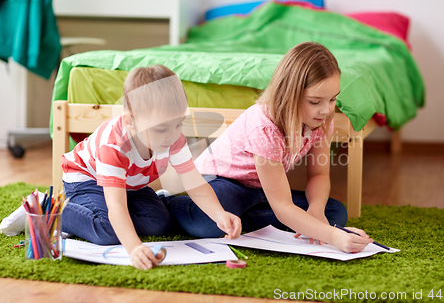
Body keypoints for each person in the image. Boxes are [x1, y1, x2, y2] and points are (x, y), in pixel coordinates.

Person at [164, 42, 373, 253]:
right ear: (290, 94)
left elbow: (319, 175)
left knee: (334, 211)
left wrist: (316, 211)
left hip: (262, 190)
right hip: (221, 182)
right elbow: (282, 205)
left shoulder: (322, 121)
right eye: (315, 101)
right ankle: (170, 201)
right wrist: (331, 235)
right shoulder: (264, 126)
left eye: (333, 99)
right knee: (205, 223)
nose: (326, 110)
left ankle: (239, 220)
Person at [61, 65, 241, 269]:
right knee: (108, 231)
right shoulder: (114, 146)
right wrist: (134, 248)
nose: (172, 135)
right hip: (86, 180)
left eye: (179, 124)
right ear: (130, 122)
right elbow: (116, 205)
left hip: (130, 186)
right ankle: (53, 210)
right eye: (161, 129)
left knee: (160, 224)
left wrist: (219, 214)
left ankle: (115, 216)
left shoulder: (172, 137)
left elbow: (194, 182)